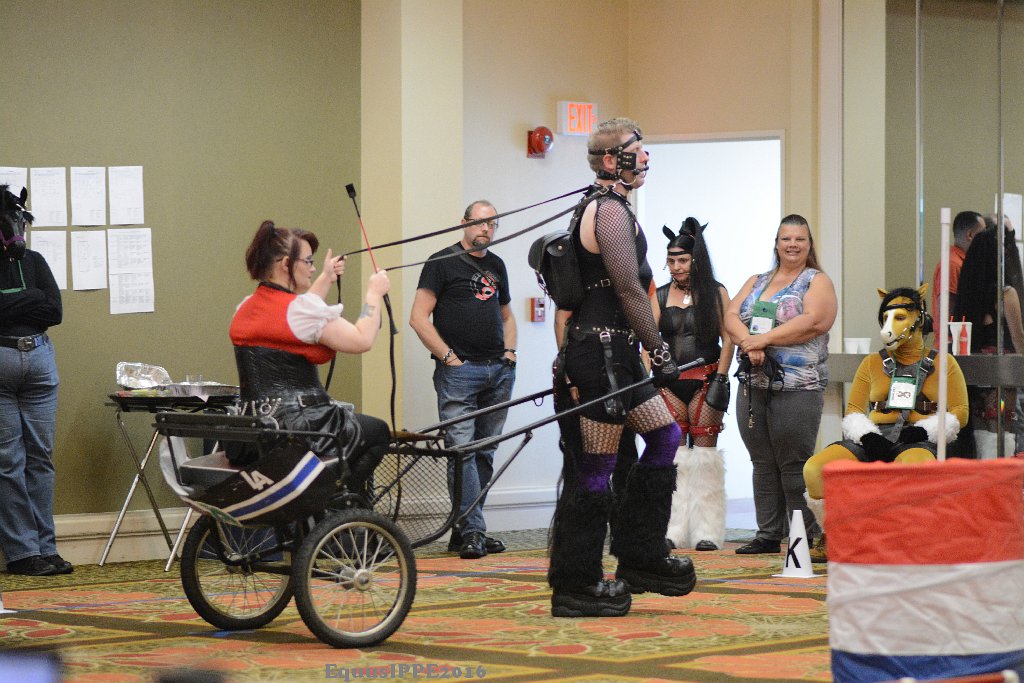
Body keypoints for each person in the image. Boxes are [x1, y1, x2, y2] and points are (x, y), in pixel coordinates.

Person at [547, 117, 694, 619]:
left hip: (620, 356)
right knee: (596, 467)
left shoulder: (614, 207)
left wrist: (646, 350)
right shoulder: (607, 210)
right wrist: (661, 351)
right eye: (638, 149)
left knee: (665, 436)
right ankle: (575, 583)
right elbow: (630, 288)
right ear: (612, 159)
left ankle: (641, 555)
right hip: (598, 357)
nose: (647, 158)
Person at [803, 285, 968, 563]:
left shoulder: (945, 363)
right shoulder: (871, 363)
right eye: (885, 318)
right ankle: (835, 533)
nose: (889, 326)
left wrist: (924, 429)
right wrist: (867, 436)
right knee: (816, 468)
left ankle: (907, 537)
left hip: (916, 438)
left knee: (914, 469)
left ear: (918, 319)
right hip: (875, 436)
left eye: (900, 317)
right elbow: (854, 410)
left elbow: (960, 411)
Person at [229, 220, 391, 498]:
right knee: (378, 432)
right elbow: (362, 339)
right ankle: (337, 502)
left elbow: (296, 316)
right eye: (308, 261)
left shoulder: (245, 307)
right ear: (286, 264)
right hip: (300, 428)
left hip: (252, 431)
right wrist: (373, 295)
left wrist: (326, 278)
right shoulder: (300, 312)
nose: (313, 268)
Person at [409, 201, 516, 560]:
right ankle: (473, 531)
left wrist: (511, 353)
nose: (486, 229)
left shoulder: (497, 265)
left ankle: (465, 529)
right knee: (462, 451)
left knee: (484, 452)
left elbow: (506, 315)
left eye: (493, 224)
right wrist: (449, 358)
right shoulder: (441, 262)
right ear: (464, 224)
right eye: (480, 222)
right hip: (459, 373)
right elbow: (418, 318)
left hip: (498, 371)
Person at [725, 214, 837, 555]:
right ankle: (768, 534)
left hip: (798, 387)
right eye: (786, 238)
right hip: (753, 383)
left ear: (809, 244)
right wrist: (749, 343)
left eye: (799, 239)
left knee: (793, 463)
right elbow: (731, 315)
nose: (792, 245)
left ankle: (806, 538)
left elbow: (814, 321)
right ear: (776, 244)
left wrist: (764, 339)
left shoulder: (816, 281)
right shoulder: (757, 280)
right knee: (761, 461)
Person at [0, 185, 70, 576]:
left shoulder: (36, 261)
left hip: (40, 361)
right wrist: (31, 298)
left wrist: (12, 303)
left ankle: (47, 547)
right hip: (2, 361)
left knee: (40, 458)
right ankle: (22, 552)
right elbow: (39, 302)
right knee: (8, 462)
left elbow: (54, 311)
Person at [654, 218, 734, 552]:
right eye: (671, 260)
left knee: (704, 458)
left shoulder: (715, 292)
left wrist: (722, 377)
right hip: (669, 384)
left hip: (706, 380)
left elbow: (729, 338)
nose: (676, 266)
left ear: (695, 259)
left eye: (683, 259)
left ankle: (707, 531)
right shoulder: (659, 294)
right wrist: (651, 376)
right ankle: (673, 530)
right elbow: (649, 341)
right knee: (673, 458)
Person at [952, 224, 1024, 457]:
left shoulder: (967, 293)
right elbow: (1018, 339)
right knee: (1002, 428)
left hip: (973, 372)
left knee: (980, 430)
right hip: (1001, 373)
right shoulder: (1006, 294)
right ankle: (999, 474)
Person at [931, 210, 984, 329]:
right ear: (970, 235)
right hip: (954, 339)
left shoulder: (964, 262)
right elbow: (948, 315)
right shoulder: (952, 264)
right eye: (982, 234)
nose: (986, 240)